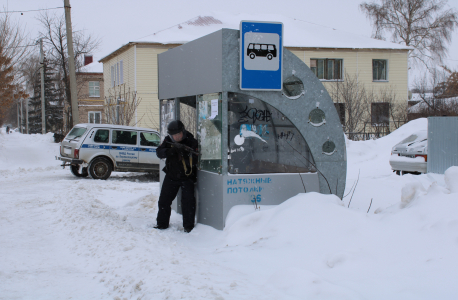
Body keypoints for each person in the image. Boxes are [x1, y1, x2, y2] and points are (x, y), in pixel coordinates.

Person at [155, 120, 198, 233]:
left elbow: (196, 158)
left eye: (179, 134)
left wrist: (185, 153)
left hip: (187, 176)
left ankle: (188, 227)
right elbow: (159, 152)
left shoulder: (190, 140)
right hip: (172, 175)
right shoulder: (168, 140)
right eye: (174, 135)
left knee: (188, 203)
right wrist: (171, 151)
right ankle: (162, 224)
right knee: (164, 201)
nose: (177, 137)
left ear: (183, 132)